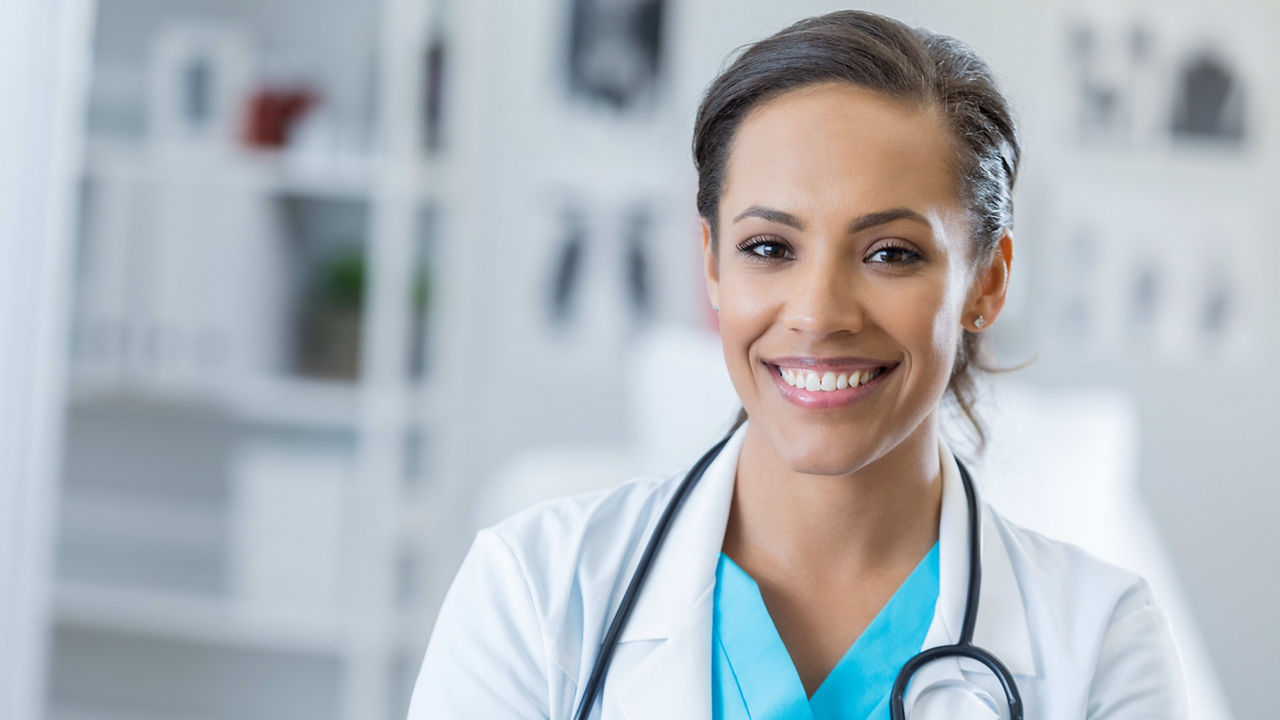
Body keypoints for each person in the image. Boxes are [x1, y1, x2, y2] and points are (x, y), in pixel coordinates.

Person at [407, 9, 1187, 719]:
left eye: (890, 253)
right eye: (769, 248)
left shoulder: (1103, 647)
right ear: (712, 264)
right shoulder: (532, 595)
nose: (818, 313)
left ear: (987, 281)